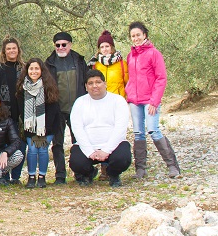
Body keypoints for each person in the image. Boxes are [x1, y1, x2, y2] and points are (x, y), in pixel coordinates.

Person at [125, 21, 180, 178]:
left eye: (138, 35)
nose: (135, 38)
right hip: (135, 101)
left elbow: (161, 78)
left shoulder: (154, 53)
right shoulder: (130, 56)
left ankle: (172, 166)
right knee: (138, 133)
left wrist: (155, 101)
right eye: (133, 36)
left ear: (145, 35)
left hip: (150, 100)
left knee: (154, 130)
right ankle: (140, 169)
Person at [69, 69, 132, 187]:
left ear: (105, 83)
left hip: (113, 146)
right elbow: (77, 128)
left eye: (98, 82)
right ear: (86, 86)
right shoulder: (80, 102)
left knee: (123, 158)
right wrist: (89, 151)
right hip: (89, 147)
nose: (95, 86)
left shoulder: (118, 100)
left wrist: (106, 150)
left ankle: (113, 174)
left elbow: (120, 128)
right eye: (90, 83)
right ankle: (89, 173)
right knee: (76, 162)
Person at [45, 31, 88, 185]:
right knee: (57, 143)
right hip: (57, 110)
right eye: (58, 45)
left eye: (64, 44)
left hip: (77, 109)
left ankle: (80, 173)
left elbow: (86, 83)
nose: (61, 47)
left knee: (79, 142)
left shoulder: (79, 61)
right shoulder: (48, 63)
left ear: (70, 45)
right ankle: (60, 175)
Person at [87, 30, 129, 181]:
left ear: (112, 47)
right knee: (101, 132)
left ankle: (113, 167)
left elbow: (127, 82)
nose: (105, 49)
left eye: (107, 46)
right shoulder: (95, 64)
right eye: (102, 46)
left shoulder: (122, 64)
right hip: (99, 103)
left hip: (117, 102)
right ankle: (103, 168)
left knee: (115, 133)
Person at [0, 36, 26, 183]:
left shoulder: (24, 68)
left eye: (14, 48)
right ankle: (3, 175)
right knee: (4, 145)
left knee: (20, 144)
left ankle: (16, 177)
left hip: (21, 114)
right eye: (8, 48)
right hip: (2, 114)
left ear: (18, 50)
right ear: (4, 51)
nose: (11, 50)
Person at [16, 58, 61, 189]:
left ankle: (42, 177)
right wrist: (31, 128)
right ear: (27, 70)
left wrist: (43, 129)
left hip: (47, 126)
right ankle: (31, 177)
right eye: (31, 68)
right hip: (30, 125)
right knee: (32, 150)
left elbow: (53, 110)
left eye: (37, 68)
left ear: (42, 70)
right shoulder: (22, 88)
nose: (34, 71)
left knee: (42, 150)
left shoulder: (48, 87)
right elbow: (22, 110)